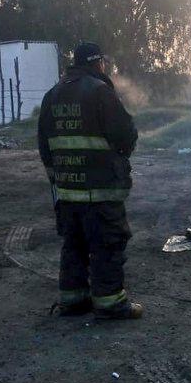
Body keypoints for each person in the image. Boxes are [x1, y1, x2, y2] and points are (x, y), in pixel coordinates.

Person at [37, 42, 142, 319]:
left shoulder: (52, 95)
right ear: (98, 63)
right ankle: (110, 303)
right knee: (107, 243)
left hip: (67, 191)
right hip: (100, 189)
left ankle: (73, 300)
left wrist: (59, 177)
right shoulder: (100, 91)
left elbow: (44, 146)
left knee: (74, 245)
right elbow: (125, 134)